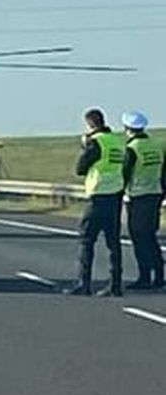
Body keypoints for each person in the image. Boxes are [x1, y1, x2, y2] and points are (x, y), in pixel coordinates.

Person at [64, 108, 125, 297]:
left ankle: (84, 283)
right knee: (113, 242)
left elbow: (80, 168)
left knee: (86, 240)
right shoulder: (117, 141)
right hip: (115, 195)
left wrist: (84, 146)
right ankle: (115, 284)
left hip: (98, 196)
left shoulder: (95, 143)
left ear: (90, 124)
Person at [120, 110, 165, 290]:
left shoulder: (132, 149)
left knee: (139, 238)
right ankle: (159, 275)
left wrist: (119, 193)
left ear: (127, 129)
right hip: (155, 194)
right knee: (150, 237)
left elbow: (125, 174)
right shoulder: (155, 146)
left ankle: (144, 276)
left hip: (138, 197)